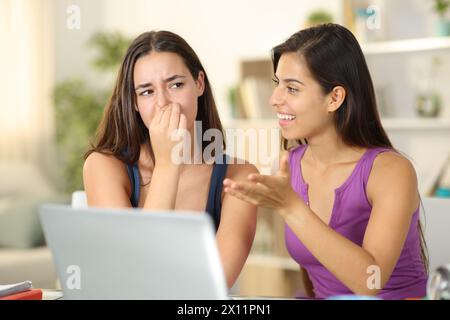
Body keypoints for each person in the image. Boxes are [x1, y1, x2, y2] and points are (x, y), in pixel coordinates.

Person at [223, 24, 428, 299]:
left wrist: (290, 206)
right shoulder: (289, 167)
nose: (275, 99)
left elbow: (371, 282)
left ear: (334, 98)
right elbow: (315, 271)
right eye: (277, 84)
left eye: (292, 88)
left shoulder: (391, 171)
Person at [83, 30, 257, 288]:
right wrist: (168, 164)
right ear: (134, 102)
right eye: (146, 92)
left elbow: (213, 285)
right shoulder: (103, 166)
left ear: (199, 83)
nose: (164, 103)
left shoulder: (238, 175)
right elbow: (131, 276)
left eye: (175, 85)